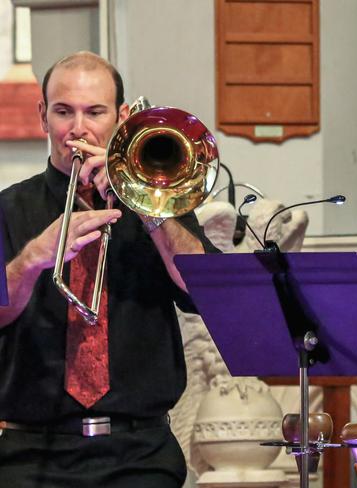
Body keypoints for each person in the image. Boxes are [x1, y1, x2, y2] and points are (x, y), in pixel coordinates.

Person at [0, 51, 218, 487]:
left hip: (141, 454)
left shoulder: (163, 203)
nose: (77, 128)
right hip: (29, 455)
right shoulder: (8, 208)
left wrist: (150, 211)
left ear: (121, 117)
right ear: (44, 117)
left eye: (94, 112)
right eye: (63, 112)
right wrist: (33, 259)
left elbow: (209, 294)